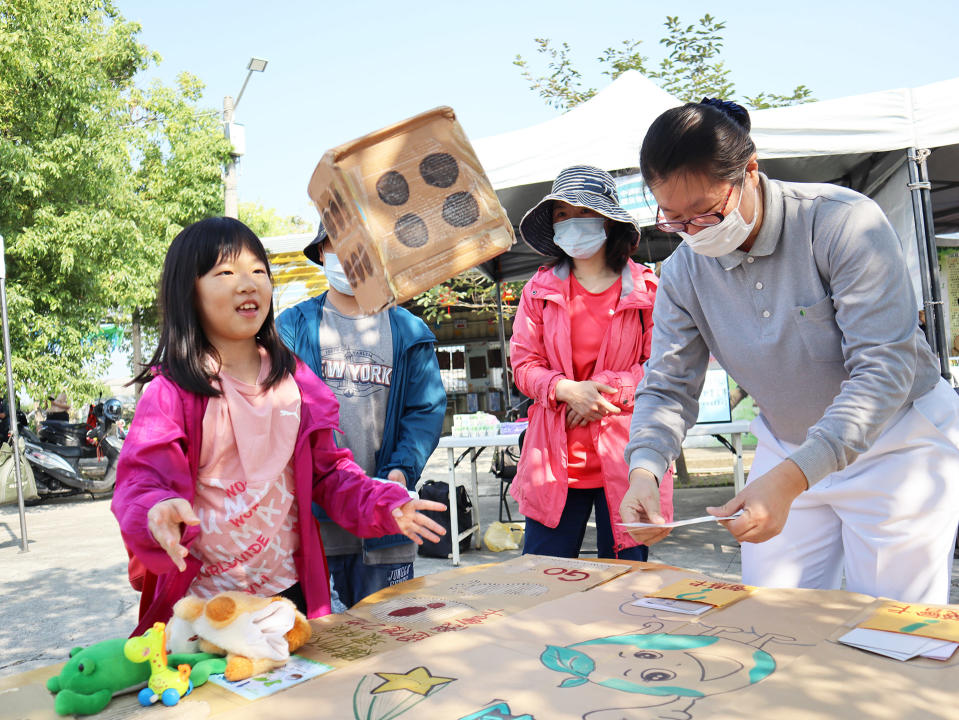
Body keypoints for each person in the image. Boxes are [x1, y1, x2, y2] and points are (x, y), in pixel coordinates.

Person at [621, 99, 959, 603]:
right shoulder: (684, 273)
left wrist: (793, 477)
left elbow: (882, 370)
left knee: (894, 629)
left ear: (750, 171)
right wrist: (644, 468)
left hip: (896, 443)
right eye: (673, 219)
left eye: (706, 212)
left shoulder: (842, 223)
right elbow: (668, 385)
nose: (694, 232)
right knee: (770, 617)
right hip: (786, 447)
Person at [112, 217, 446, 634]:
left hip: (288, 595)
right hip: (203, 603)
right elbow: (141, 480)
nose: (248, 283)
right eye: (226, 273)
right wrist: (154, 510)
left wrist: (385, 502)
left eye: (257, 271)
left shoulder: (295, 381)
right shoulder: (172, 392)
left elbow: (329, 472)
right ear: (189, 291)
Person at [277, 223, 445, 609]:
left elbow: (425, 411)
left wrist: (401, 472)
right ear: (321, 251)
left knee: (389, 639)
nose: (352, 254)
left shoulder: (407, 330)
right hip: (316, 524)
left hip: (389, 521)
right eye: (339, 242)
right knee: (322, 646)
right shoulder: (292, 327)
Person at [509, 165, 673, 561]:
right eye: (561, 216)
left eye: (581, 213)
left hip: (628, 459)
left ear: (608, 221)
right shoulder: (538, 290)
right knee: (545, 582)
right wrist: (566, 390)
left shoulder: (648, 289)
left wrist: (601, 392)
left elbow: (664, 366)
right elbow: (523, 363)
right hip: (553, 460)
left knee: (625, 588)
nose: (570, 223)